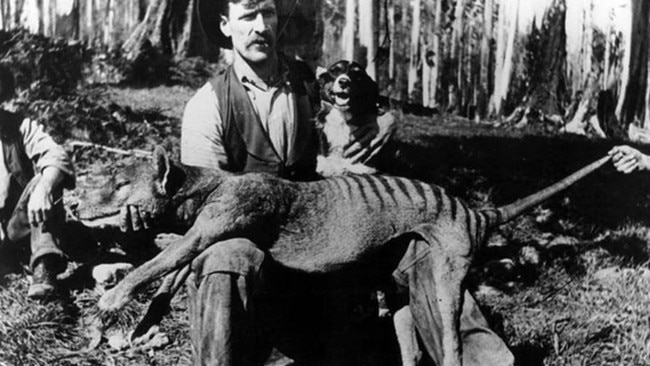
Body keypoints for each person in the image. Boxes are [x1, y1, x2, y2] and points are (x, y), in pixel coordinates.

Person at [121, 0, 512, 364]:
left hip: (324, 239)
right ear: (225, 25)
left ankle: (488, 361)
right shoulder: (208, 107)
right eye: (247, 15)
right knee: (226, 258)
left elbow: (364, 103)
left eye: (268, 14)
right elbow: (202, 216)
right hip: (258, 255)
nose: (260, 27)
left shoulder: (306, 83)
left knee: (426, 249)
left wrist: (385, 124)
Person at [0, 65, 75, 300]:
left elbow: (56, 155)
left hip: (16, 225)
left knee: (45, 179)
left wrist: (44, 187)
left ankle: (43, 265)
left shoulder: (19, 127)